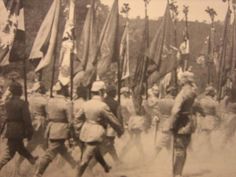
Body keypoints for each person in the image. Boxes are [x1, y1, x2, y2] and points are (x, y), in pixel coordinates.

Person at [74, 81, 123, 177]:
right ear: (101, 91)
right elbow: (113, 120)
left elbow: (77, 118)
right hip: (96, 132)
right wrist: (119, 130)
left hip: (85, 132)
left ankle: (105, 166)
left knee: (96, 151)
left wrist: (78, 129)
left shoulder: (86, 104)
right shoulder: (102, 106)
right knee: (85, 159)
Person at [33, 83, 76, 177]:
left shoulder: (49, 101)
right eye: (67, 89)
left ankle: (78, 169)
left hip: (52, 128)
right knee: (49, 153)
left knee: (64, 152)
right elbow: (71, 122)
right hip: (61, 130)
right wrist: (72, 135)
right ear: (64, 90)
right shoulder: (67, 103)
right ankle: (38, 173)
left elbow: (47, 115)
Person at [166, 72, 204, 177]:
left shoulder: (182, 93)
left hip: (181, 123)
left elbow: (175, 111)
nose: (179, 80)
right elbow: (198, 106)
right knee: (184, 148)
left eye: (181, 78)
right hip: (190, 123)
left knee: (179, 149)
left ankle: (177, 174)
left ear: (185, 80)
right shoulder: (193, 92)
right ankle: (179, 172)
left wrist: (171, 125)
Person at [0, 81, 37, 171]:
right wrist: (30, 132)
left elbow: (5, 118)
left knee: (20, 147)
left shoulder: (7, 103)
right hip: (18, 130)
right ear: (19, 91)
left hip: (10, 129)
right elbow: (27, 120)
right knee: (10, 153)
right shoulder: (23, 103)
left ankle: (31, 159)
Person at [16, 82, 48, 174]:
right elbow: (47, 113)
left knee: (32, 146)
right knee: (45, 147)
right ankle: (42, 169)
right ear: (40, 90)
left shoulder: (29, 98)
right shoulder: (43, 100)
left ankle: (19, 164)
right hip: (41, 124)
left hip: (32, 123)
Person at [153, 86, 177, 157]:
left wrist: (158, 117)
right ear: (171, 92)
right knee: (159, 145)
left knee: (168, 146)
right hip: (170, 125)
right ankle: (150, 160)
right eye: (174, 91)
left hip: (163, 124)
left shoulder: (160, 101)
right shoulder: (174, 102)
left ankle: (171, 160)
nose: (175, 93)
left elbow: (156, 111)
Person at [197, 86, 219, 153]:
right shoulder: (214, 102)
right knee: (207, 136)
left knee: (204, 135)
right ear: (211, 93)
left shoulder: (201, 101)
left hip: (201, 119)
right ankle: (203, 150)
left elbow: (198, 109)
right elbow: (217, 112)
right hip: (210, 119)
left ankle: (209, 150)